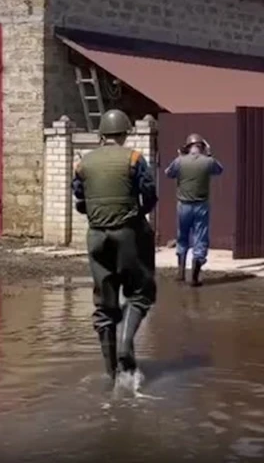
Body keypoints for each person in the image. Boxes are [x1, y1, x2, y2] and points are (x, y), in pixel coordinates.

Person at [71, 109, 158, 383]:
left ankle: (111, 375)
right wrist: (139, 212)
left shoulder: (84, 163)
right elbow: (150, 193)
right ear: (124, 133)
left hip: (96, 237)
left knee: (104, 305)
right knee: (140, 293)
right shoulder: (133, 158)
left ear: (101, 134)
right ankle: (125, 347)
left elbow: (79, 198)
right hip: (129, 234)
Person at [164, 133, 224, 287]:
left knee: (182, 237)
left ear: (187, 146)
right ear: (202, 147)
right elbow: (219, 170)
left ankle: (181, 272)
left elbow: (168, 173)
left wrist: (180, 158)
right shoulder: (208, 161)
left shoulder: (179, 161)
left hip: (183, 205)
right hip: (201, 206)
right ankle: (195, 277)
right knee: (200, 238)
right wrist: (209, 154)